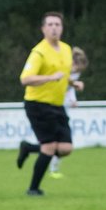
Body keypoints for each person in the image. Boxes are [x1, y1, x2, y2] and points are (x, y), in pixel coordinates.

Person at [15, 12, 74, 196]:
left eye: (57, 24)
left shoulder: (66, 49)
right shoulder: (39, 52)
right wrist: (50, 78)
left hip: (57, 105)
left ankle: (28, 148)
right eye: (50, 24)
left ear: (62, 28)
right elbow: (25, 79)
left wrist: (73, 83)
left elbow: (62, 74)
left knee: (65, 148)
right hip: (37, 104)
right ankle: (33, 189)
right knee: (49, 147)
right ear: (43, 29)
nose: (54, 27)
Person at [19, 45, 87, 179]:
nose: (76, 71)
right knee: (54, 144)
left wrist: (73, 94)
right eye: (76, 67)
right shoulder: (54, 62)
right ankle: (46, 174)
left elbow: (67, 85)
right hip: (44, 106)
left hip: (59, 107)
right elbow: (29, 79)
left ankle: (30, 149)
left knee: (64, 146)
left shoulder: (72, 73)